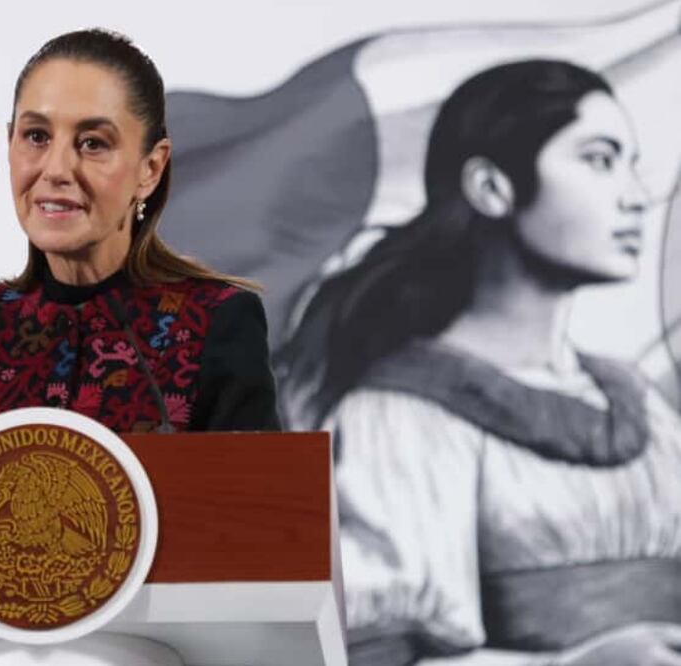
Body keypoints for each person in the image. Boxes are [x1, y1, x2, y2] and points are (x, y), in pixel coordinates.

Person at [276, 60, 681, 665]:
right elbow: (378, 653)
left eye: (632, 165)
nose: (637, 197)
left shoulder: (640, 402)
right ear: (492, 187)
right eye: (599, 160)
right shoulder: (400, 416)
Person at [0, 29, 279, 437]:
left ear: (150, 169)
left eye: (92, 143)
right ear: (9, 144)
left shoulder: (216, 322)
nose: (56, 170)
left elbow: (256, 496)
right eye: (36, 137)